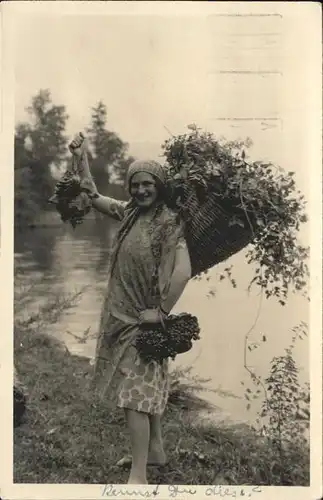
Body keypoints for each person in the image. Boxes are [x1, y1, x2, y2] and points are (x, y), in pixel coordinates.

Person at [69, 134, 192, 484]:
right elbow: (92, 197)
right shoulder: (129, 214)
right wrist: (81, 157)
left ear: (160, 186)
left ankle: (139, 477)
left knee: (134, 397)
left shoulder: (170, 223)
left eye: (147, 184)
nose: (140, 190)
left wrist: (162, 311)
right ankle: (155, 450)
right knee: (143, 388)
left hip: (145, 319)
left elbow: (183, 271)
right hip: (122, 316)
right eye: (135, 184)